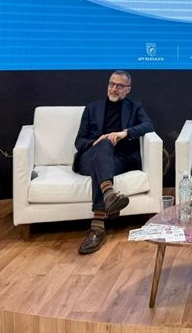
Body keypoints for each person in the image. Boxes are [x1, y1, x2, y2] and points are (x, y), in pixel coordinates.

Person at [74, 70, 154, 255]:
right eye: (111, 84)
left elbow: (148, 125)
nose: (114, 88)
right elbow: (79, 140)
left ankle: (97, 228)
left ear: (128, 89)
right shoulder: (92, 108)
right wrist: (95, 142)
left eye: (119, 86)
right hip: (91, 157)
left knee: (102, 165)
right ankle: (109, 195)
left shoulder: (135, 107)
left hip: (121, 159)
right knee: (104, 145)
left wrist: (125, 133)